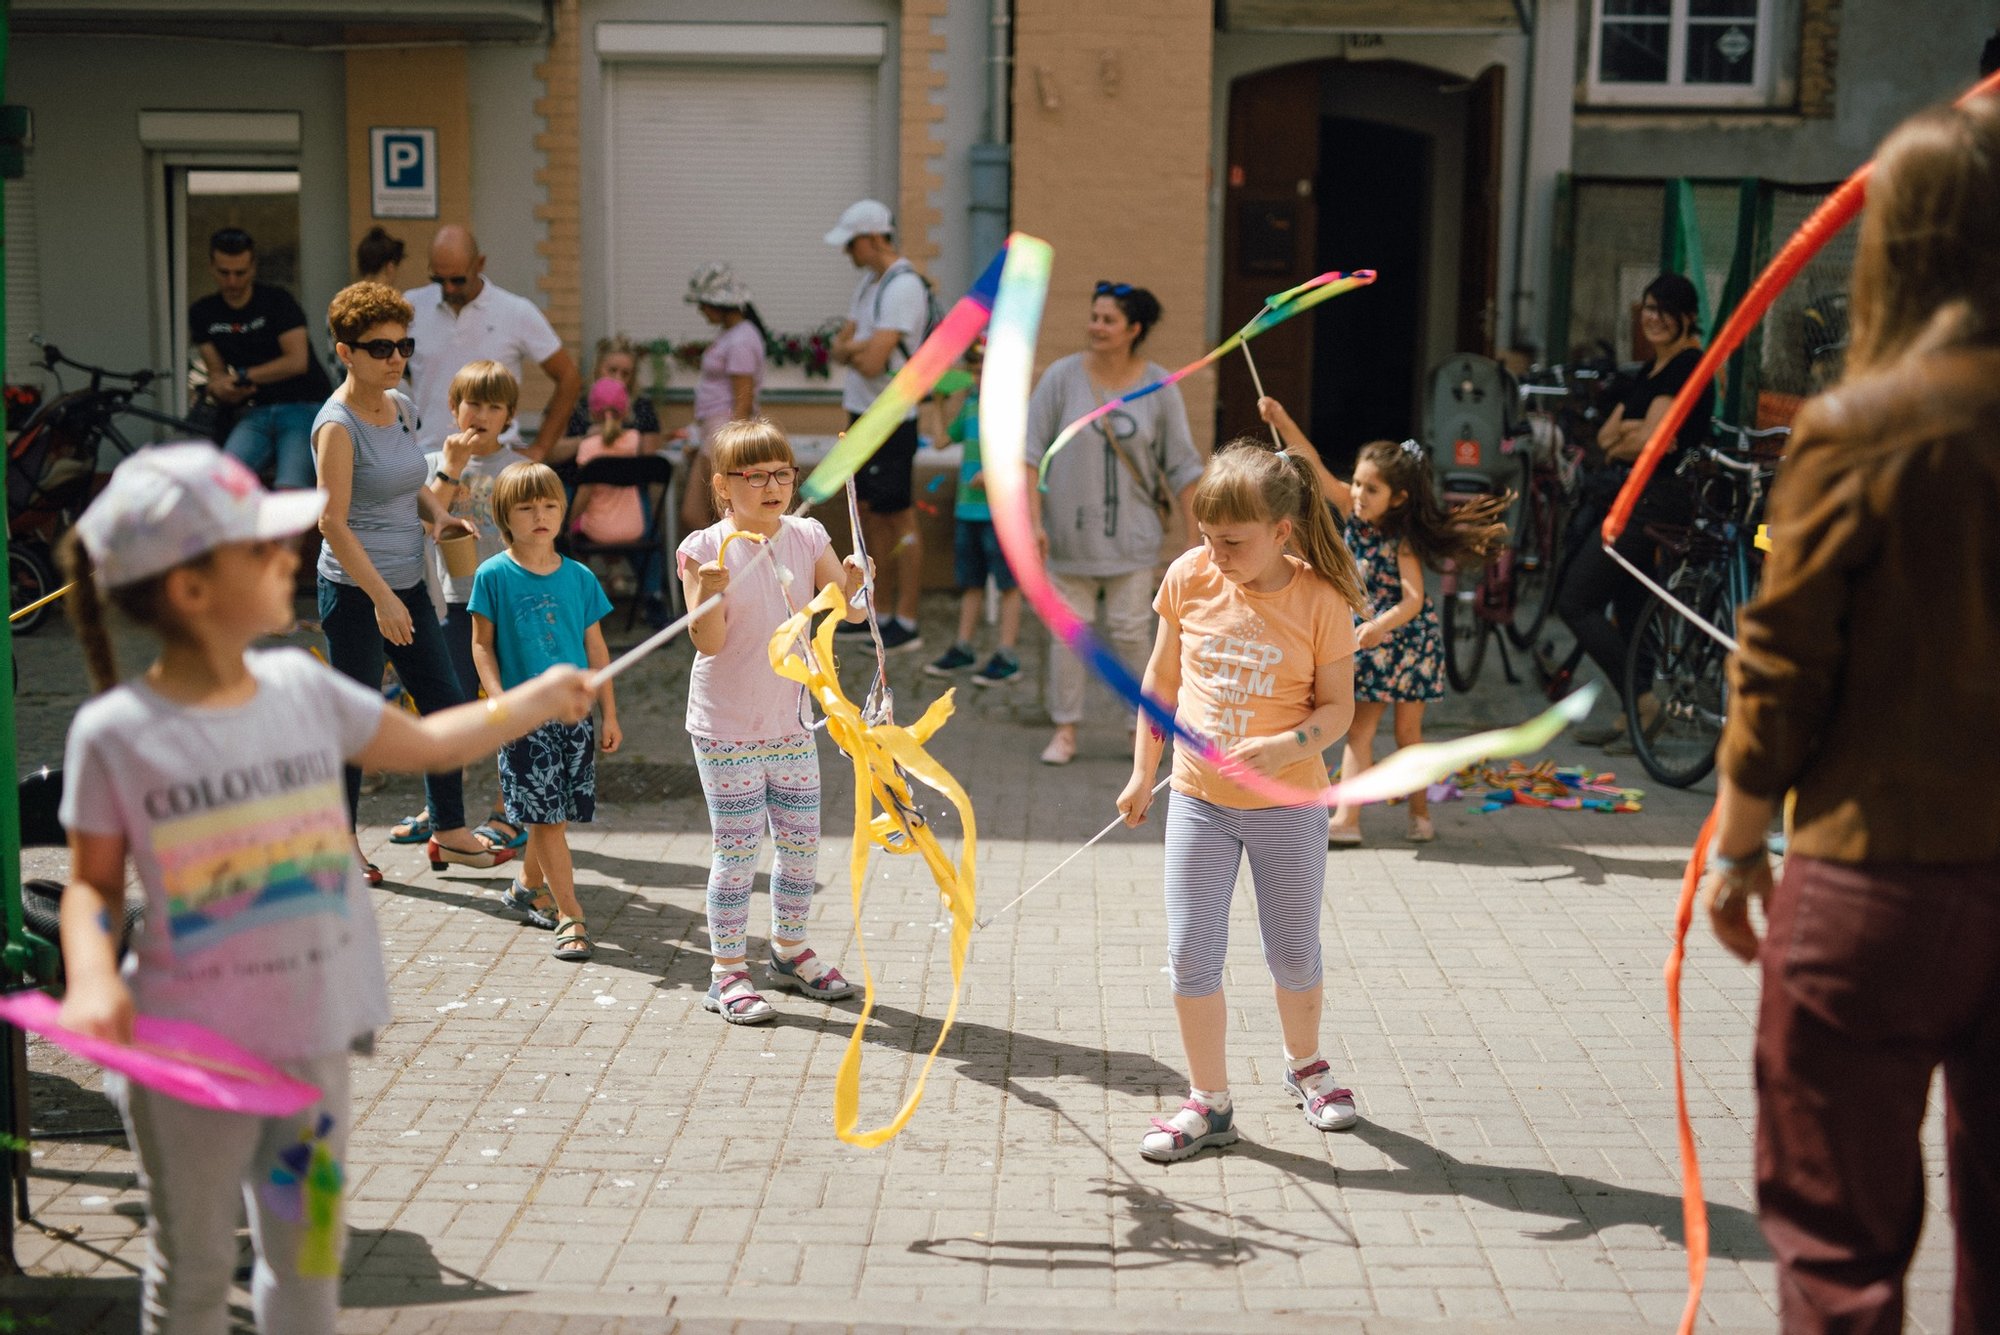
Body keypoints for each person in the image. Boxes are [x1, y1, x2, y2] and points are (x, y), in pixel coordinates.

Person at [53, 443, 593, 1335]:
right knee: (189, 1273)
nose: (288, 558)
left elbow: (426, 746)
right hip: (184, 1056)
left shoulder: (302, 687)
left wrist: (533, 700)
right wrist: (94, 976)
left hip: (309, 1046)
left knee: (306, 1265)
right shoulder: (116, 734)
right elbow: (89, 891)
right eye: (261, 548)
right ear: (191, 589)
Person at [1703, 97, 2000, 1334]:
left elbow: (1781, 666)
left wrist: (1732, 841)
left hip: (1871, 879)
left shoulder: (1856, 430)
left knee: (1837, 1247)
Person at [1114, 438, 1365, 1162]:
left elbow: (1340, 708)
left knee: (1292, 951)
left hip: (1288, 804)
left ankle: (1307, 1065)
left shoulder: (1320, 598)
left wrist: (1288, 745)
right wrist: (1142, 770)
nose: (1214, 553)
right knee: (1191, 952)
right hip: (1198, 799)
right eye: (1205, 537)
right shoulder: (1189, 577)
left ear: (1281, 532)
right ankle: (1209, 1101)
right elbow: (1160, 683)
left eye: (1232, 541)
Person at [312, 281, 507, 881]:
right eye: (380, 347)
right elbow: (331, 521)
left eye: (404, 344)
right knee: (359, 720)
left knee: (445, 704)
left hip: (408, 585)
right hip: (354, 592)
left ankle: (448, 831)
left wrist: (439, 513)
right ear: (345, 353)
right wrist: (379, 599)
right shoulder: (336, 426)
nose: (396, 356)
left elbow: (407, 479)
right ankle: (339, 842)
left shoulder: (399, 405)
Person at [678, 419, 867, 1024]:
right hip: (727, 725)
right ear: (722, 486)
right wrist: (708, 593)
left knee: (800, 845)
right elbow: (707, 643)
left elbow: (849, 612)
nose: (772, 485)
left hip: (790, 721)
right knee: (736, 852)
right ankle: (727, 972)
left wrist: (856, 581)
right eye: (754, 475)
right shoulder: (704, 549)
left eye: (782, 473)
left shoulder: (807, 534)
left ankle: (789, 949)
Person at [1263, 403, 1509, 845]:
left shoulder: (1402, 541)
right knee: (1359, 729)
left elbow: (1415, 600)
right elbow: (1313, 464)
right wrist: (1280, 420)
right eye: (1356, 482)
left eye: (1371, 488)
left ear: (1398, 498)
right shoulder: (1352, 514)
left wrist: (1381, 625)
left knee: (1407, 733)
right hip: (1368, 642)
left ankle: (1419, 815)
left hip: (1407, 644)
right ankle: (1347, 820)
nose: (1358, 493)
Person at [1026, 281, 1203, 766]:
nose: (1096, 327)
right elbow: (1028, 455)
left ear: (1134, 330)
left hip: (1134, 539)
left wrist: (1192, 543)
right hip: (1068, 537)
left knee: (1132, 634)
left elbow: (1185, 468)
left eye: (1107, 320)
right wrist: (1034, 524)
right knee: (1070, 635)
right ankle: (1065, 730)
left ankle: (1139, 730)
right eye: (1094, 316)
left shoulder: (1158, 387)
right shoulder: (1062, 379)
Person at [469, 462, 620, 962]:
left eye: (551, 505)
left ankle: (524, 887)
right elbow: (481, 645)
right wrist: (497, 700)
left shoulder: (579, 577)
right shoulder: (492, 575)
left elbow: (596, 650)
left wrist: (611, 714)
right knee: (548, 821)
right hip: (523, 717)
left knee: (552, 816)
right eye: (526, 506)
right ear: (503, 516)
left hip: (575, 717)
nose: (541, 515)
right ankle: (570, 914)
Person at [1557, 273, 1713, 751]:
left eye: (1664, 310)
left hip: (1656, 500)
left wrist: (1632, 433)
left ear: (1687, 317)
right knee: (1629, 605)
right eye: (1648, 308)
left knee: (1576, 600)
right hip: (1631, 494)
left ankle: (1643, 701)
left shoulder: (1686, 366)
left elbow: (1651, 441)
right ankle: (1634, 716)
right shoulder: (1650, 371)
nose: (1653, 318)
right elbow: (1607, 438)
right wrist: (1630, 434)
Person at [419, 359, 532, 853]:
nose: (481, 415)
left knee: (508, 707)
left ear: (508, 415)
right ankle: (442, 810)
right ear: (453, 407)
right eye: (473, 403)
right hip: (450, 602)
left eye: (494, 406)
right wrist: (452, 468)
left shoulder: (518, 469)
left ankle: (512, 810)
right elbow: (425, 523)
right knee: (449, 709)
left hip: (505, 605)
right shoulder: (433, 466)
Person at [826, 199, 928, 651]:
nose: (848, 254)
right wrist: (858, 347)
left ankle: (905, 620)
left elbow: (867, 361)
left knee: (898, 516)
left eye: (851, 243)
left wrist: (857, 348)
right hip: (862, 414)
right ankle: (876, 610)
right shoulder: (870, 283)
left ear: (872, 238)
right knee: (867, 516)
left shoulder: (904, 286)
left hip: (890, 417)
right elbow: (841, 345)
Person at [405, 225, 581, 464]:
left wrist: (541, 448)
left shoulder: (515, 311)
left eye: (457, 280)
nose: (448, 289)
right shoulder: (411, 307)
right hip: (430, 458)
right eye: (438, 279)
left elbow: (569, 378)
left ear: (480, 264)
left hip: (497, 462)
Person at [189, 227, 333, 490]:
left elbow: (296, 361)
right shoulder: (202, 312)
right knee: (221, 486)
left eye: (240, 273)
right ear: (212, 267)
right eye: (224, 273)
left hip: (302, 404)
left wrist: (243, 377)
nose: (232, 281)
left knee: (290, 490)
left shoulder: (277, 301)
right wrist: (222, 388)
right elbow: (216, 372)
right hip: (255, 410)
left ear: (253, 267)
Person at [925, 340, 1021, 685]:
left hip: (1000, 514)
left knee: (1008, 584)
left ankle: (1007, 654)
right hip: (967, 509)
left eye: (985, 370)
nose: (979, 377)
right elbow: (939, 442)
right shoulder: (970, 406)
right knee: (971, 582)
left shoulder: (1012, 407)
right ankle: (963, 647)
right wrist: (937, 404)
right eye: (975, 370)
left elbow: (1023, 456)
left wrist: (994, 474)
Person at [678, 263, 769, 536]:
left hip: (723, 431)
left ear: (719, 304)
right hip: (713, 431)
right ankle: (722, 570)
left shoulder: (742, 339)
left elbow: (743, 398)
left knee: (714, 514)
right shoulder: (731, 335)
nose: (701, 311)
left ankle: (730, 571)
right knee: (704, 516)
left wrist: (731, 446)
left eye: (704, 304)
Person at [571, 375, 669, 624]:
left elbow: (583, 496)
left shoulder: (589, 447)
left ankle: (585, 600)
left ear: (592, 413)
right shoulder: (635, 440)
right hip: (637, 529)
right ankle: (646, 594)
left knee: (569, 531)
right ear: (626, 411)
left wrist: (567, 522)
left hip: (598, 531)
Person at [554, 334, 663, 468]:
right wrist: (585, 439)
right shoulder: (573, 401)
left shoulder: (642, 406)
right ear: (597, 369)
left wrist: (624, 437)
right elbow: (551, 452)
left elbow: (650, 461)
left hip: (626, 481)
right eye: (612, 370)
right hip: (575, 481)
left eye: (625, 374)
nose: (618, 378)